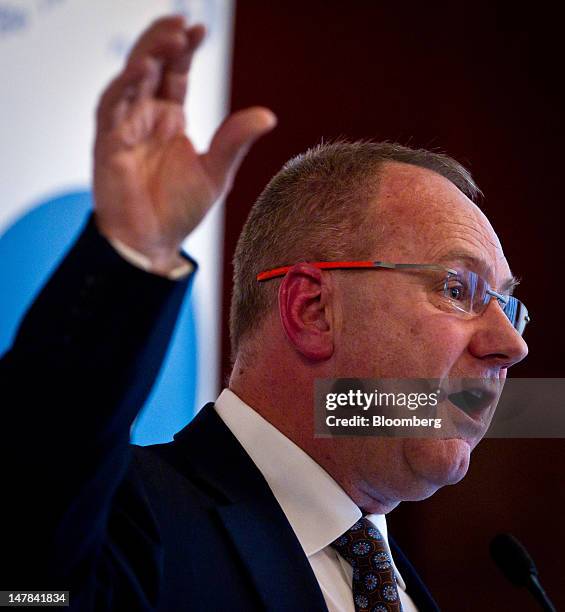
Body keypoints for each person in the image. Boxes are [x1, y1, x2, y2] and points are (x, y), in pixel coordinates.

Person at [0, 15, 529, 612]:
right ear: (311, 309)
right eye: (459, 290)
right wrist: (131, 254)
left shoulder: (409, 592)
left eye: (511, 306)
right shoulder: (128, 527)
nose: (511, 344)